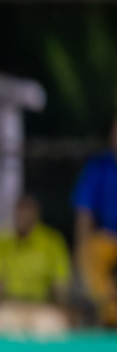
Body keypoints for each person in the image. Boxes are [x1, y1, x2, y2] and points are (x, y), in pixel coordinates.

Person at [0, 195, 70, 336]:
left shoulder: (52, 241)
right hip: (10, 305)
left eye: (28, 213)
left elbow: (59, 283)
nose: (23, 217)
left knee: (55, 328)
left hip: (41, 306)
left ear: (37, 214)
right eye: (20, 212)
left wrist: (62, 309)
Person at [73, 114, 117, 328]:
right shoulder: (99, 167)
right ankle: (111, 317)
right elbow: (84, 212)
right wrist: (81, 246)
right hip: (108, 238)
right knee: (90, 251)